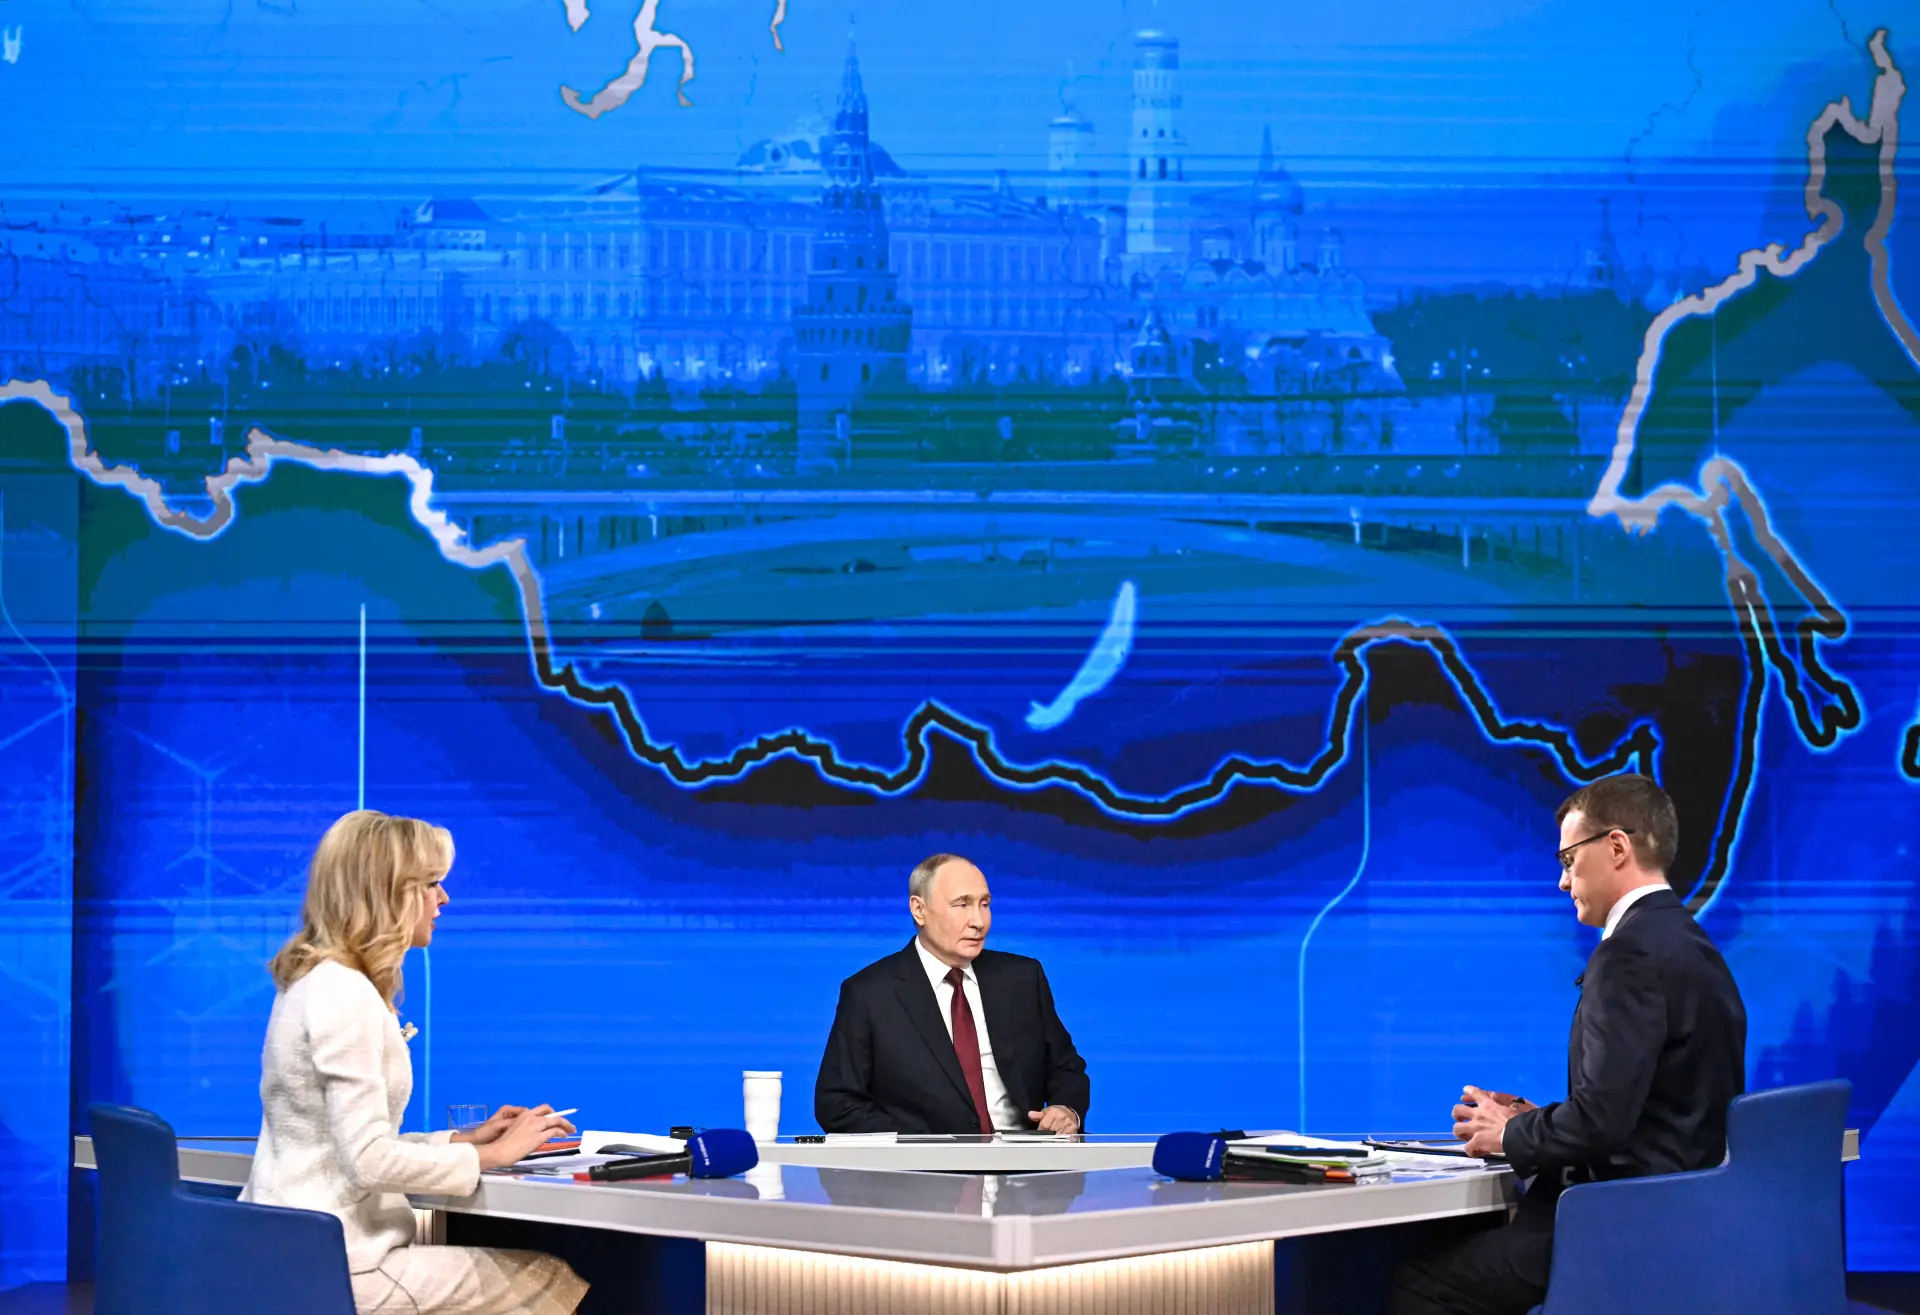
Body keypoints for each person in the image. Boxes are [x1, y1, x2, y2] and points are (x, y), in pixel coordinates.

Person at [1390, 774, 1747, 1315]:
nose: (1562, 882)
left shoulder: (1627, 954)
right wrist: (1538, 1119)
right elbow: (1660, 1106)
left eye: (1568, 860)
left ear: (1617, 847)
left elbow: (1603, 1122)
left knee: (1419, 1284)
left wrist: (1510, 1133)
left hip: (1620, 1227)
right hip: (1687, 1221)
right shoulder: (1693, 944)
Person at [241, 810, 589, 1315]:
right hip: (337, 1262)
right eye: (430, 884)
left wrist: (465, 1140)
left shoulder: (314, 981)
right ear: (386, 892)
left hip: (285, 1251)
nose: (443, 898)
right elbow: (368, 1161)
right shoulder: (344, 993)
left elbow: (342, 1148)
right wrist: (494, 1155)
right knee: (548, 1280)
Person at [815, 853, 1091, 1135]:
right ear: (919, 910)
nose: (979, 921)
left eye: (985, 904)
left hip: (1025, 1158)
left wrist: (1066, 1109)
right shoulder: (869, 994)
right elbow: (837, 1102)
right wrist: (915, 1146)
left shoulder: (1023, 978)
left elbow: (1066, 1069)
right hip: (923, 1161)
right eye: (962, 905)